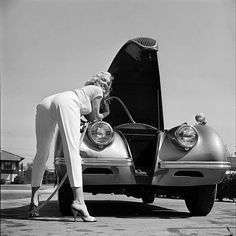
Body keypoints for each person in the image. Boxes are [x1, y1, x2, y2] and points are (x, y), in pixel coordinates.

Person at [29, 71, 114, 222]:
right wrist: (106, 112)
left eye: (108, 83)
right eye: (104, 80)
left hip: (46, 103)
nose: (106, 84)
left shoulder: (84, 91)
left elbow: (88, 116)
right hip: (67, 102)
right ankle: (79, 202)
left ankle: (34, 200)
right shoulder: (97, 91)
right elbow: (94, 118)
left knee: (41, 152)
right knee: (72, 151)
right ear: (96, 81)